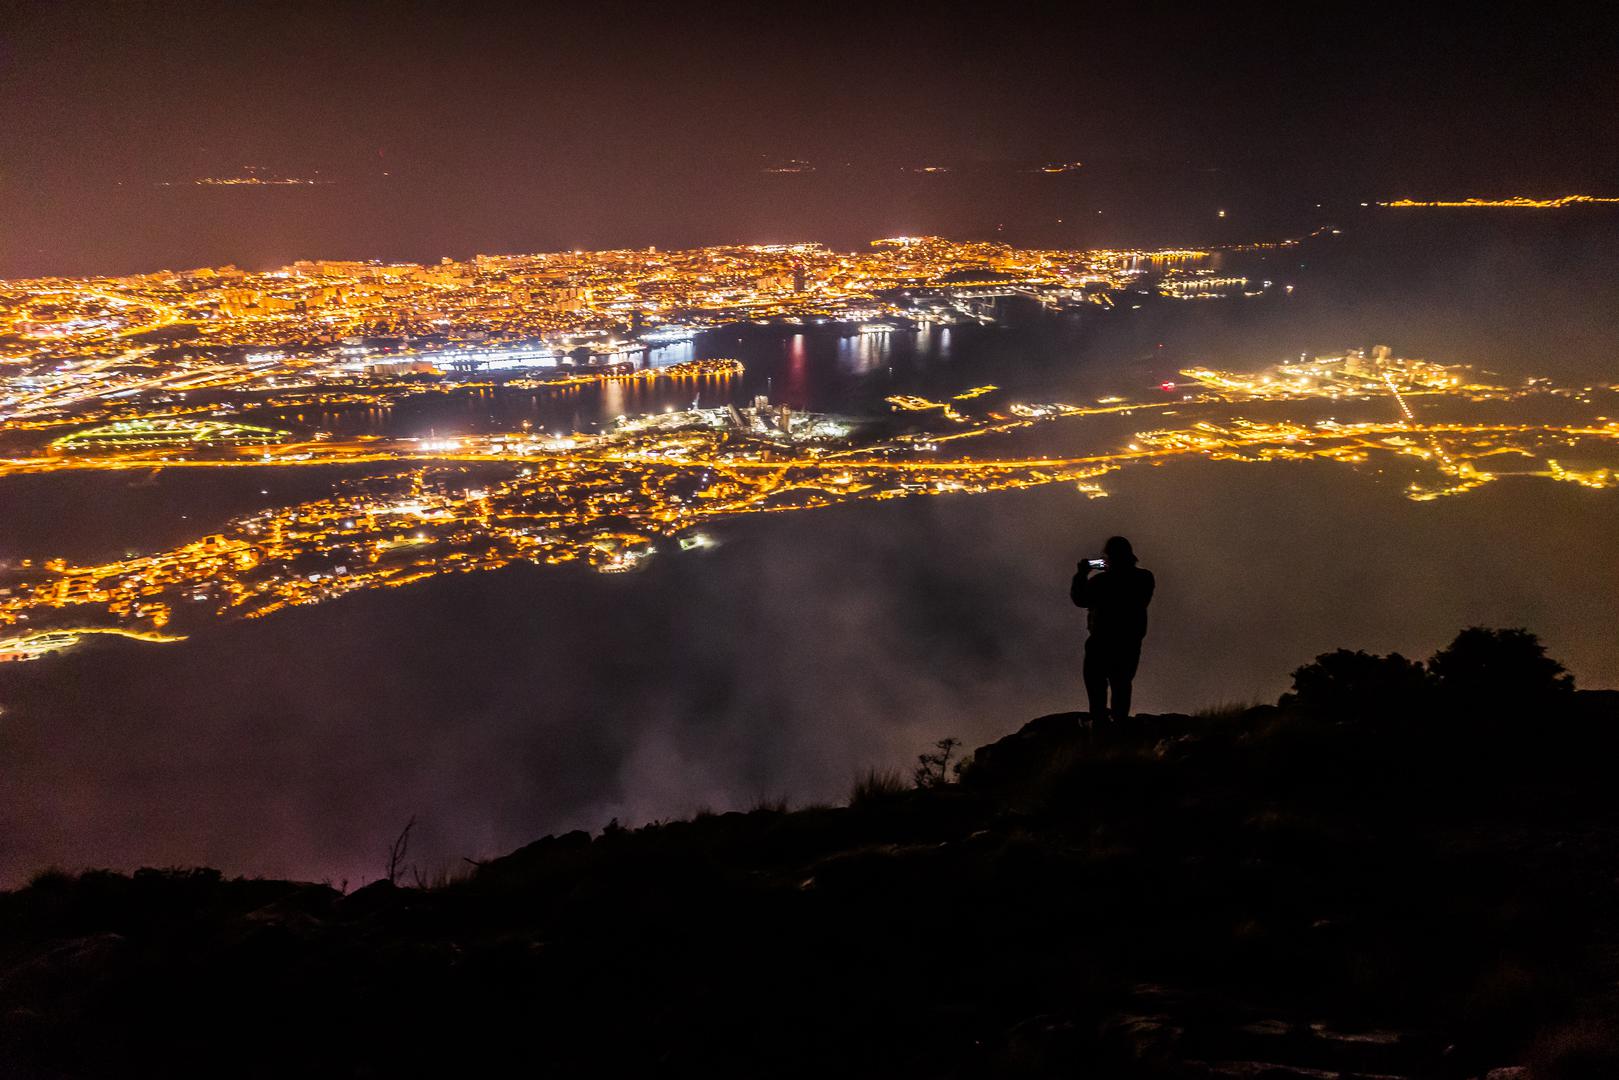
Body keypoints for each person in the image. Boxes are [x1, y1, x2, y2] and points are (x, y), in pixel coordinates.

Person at [1070, 536, 1155, 722]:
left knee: (1097, 691)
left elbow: (1080, 599)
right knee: (1122, 686)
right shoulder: (1145, 578)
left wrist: (1082, 574)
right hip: (1129, 642)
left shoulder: (1101, 582)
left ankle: (1101, 731)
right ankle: (1119, 728)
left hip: (1101, 642)